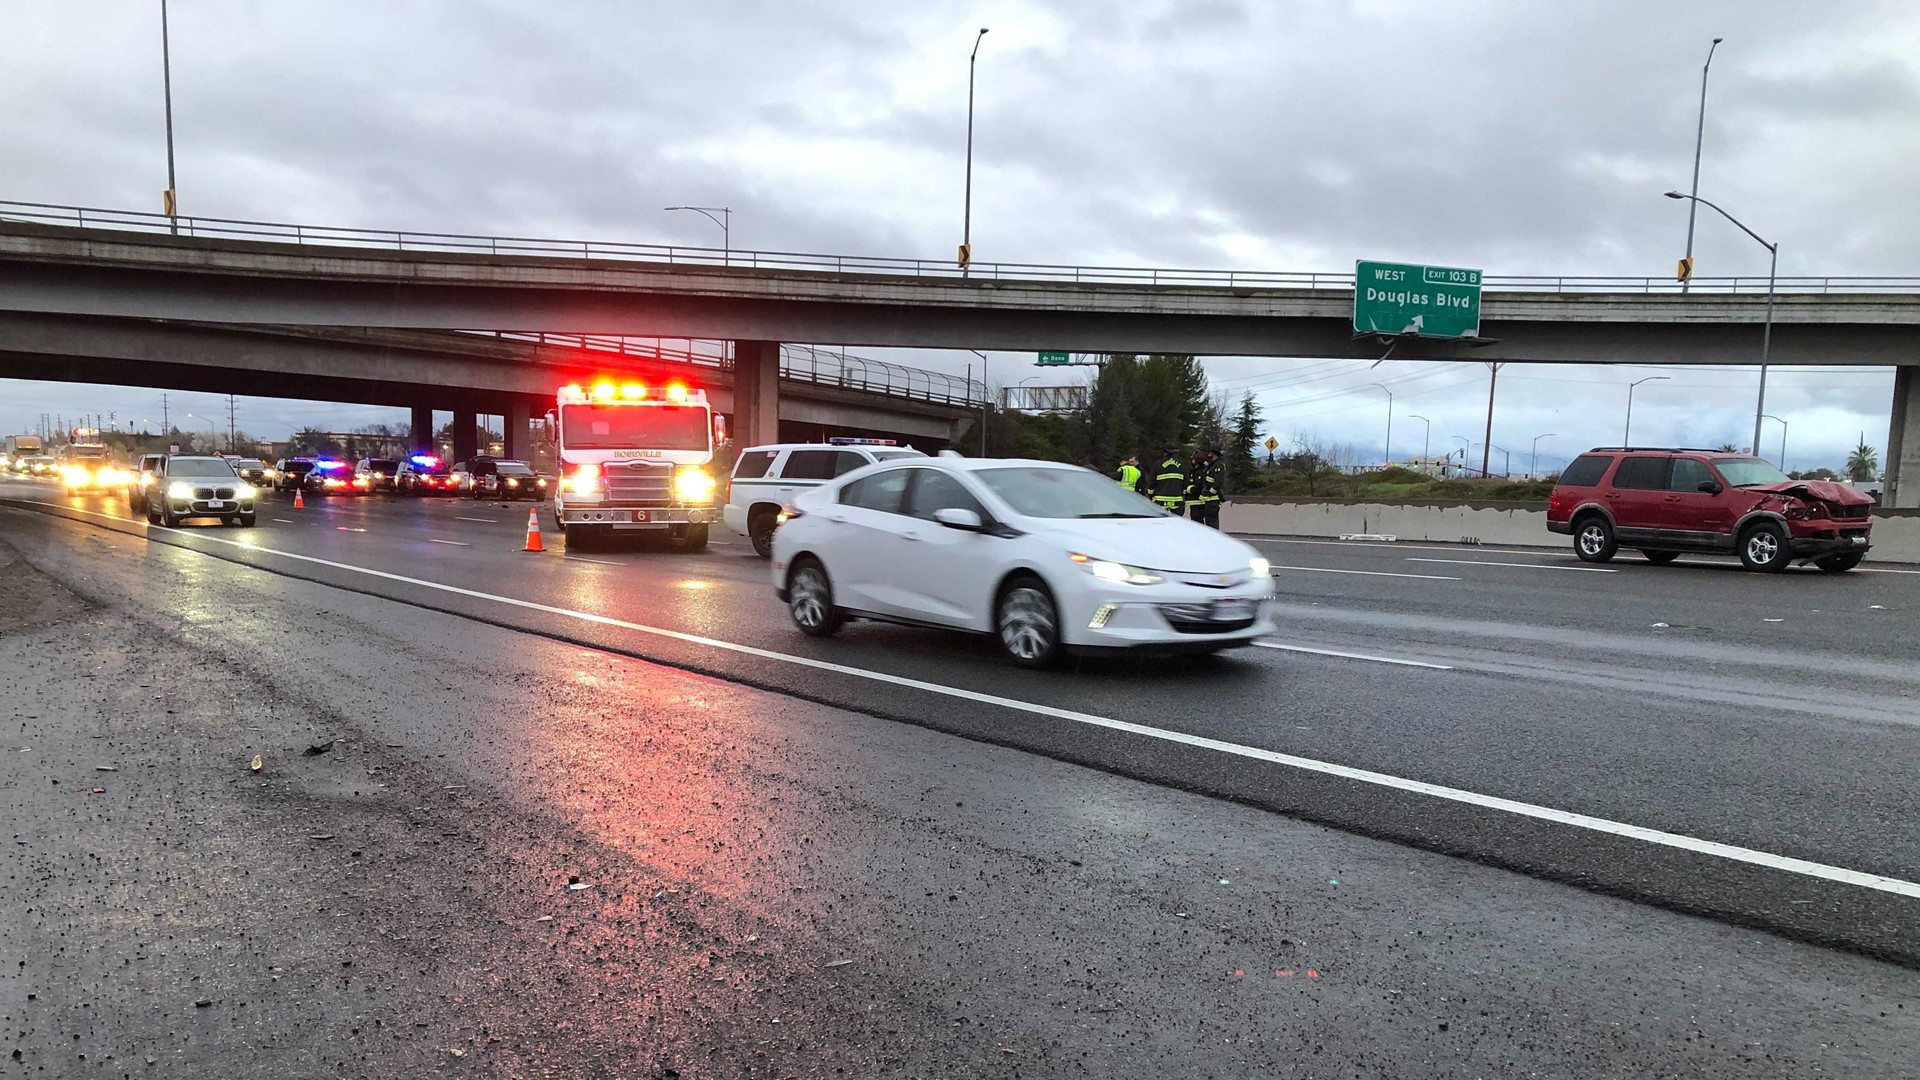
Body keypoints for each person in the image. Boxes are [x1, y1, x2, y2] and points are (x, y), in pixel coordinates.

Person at [1190, 447, 1224, 528]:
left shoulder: (1218, 465)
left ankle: (1214, 540)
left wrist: (1209, 493)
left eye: (1210, 452)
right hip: (1208, 501)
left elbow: (1218, 483)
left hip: (1213, 500)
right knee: (1209, 525)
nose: (1209, 454)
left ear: (1214, 453)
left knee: (1212, 525)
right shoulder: (1212, 465)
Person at [1149, 443, 1187, 515]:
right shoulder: (1181, 465)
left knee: (1161, 523)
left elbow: (1152, 482)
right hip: (1177, 500)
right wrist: (1183, 495)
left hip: (1160, 500)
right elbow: (1185, 483)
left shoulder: (1158, 464)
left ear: (1164, 452)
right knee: (1177, 522)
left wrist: (1150, 495)